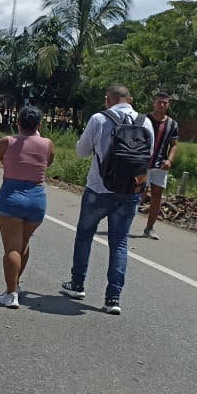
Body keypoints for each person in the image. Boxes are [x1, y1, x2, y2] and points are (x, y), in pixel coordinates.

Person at [61, 84, 153, 315]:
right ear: (130, 99)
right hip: (131, 191)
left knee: (84, 236)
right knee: (119, 243)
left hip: (98, 188)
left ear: (107, 100)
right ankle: (113, 298)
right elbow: (147, 157)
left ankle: (77, 284)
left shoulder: (99, 119)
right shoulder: (146, 122)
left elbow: (81, 151)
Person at [0, 106, 54, 308]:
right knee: (23, 244)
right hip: (37, 198)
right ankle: (16, 284)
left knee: (12, 248)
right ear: (39, 125)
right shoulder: (47, 144)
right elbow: (48, 162)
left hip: (12, 196)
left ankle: (11, 294)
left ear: (17, 122)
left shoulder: (7, 142)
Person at [141, 91, 180, 240]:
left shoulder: (172, 124)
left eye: (165, 103)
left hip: (160, 165)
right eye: (159, 102)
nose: (162, 105)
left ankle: (149, 228)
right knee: (138, 194)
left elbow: (174, 145)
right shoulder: (143, 119)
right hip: (143, 163)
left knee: (157, 196)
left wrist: (170, 160)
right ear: (153, 103)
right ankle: (123, 223)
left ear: (168, 105)